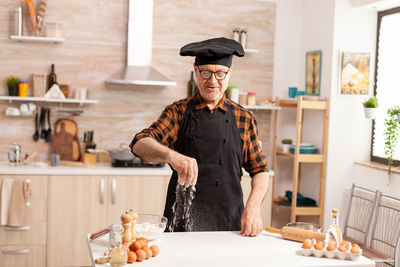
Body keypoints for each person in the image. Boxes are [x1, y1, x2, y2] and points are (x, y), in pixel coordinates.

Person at [130, 37, 269, 237]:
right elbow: (140, 143)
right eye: (205, 72)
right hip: (182, 225)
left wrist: (254, 207)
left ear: (229, 74)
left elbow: (260, 170)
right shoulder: (178, 112)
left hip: (230, 225)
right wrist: (172, 156)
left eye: (220, 73)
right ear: (195, 72)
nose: (212, 81)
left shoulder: (244, 118)